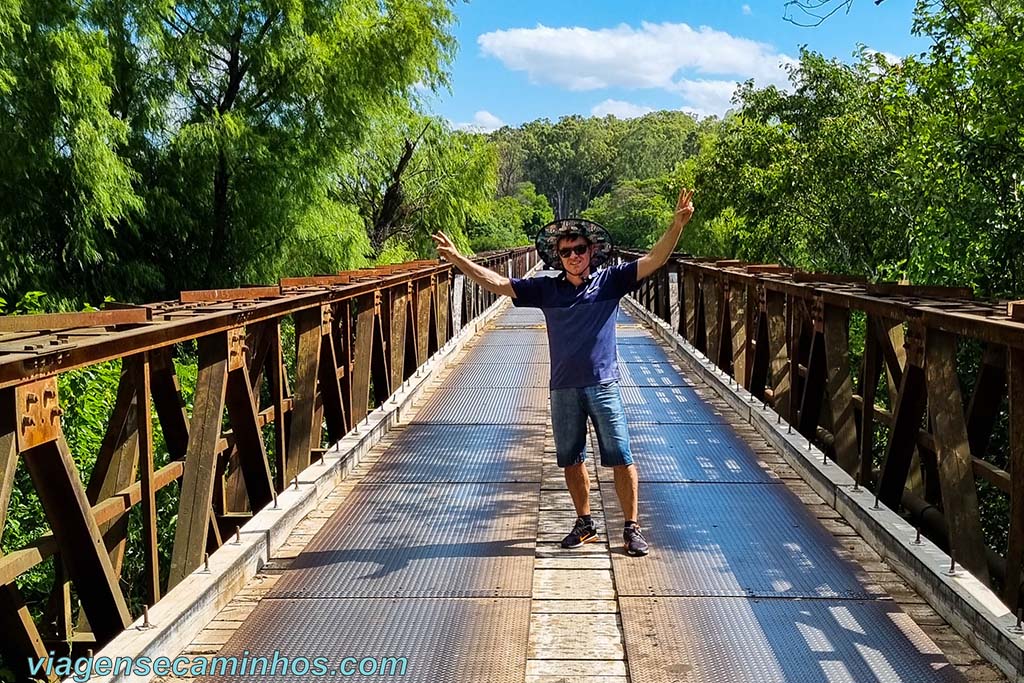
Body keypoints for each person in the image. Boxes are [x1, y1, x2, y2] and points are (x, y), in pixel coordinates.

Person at [432, 188, 695, 557]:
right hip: (563, 389)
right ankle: (585, 522)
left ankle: (632, 527)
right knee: (571, 459)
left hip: (604, 385)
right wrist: (459, 259)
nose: (573, 256)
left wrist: (676, 224)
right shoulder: (546, 289)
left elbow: (655, 259)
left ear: (592, 252)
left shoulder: (612, 280)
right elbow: (496, 283)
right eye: (566, 252)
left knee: (621, 455)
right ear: (558, 257)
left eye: (579, 250)